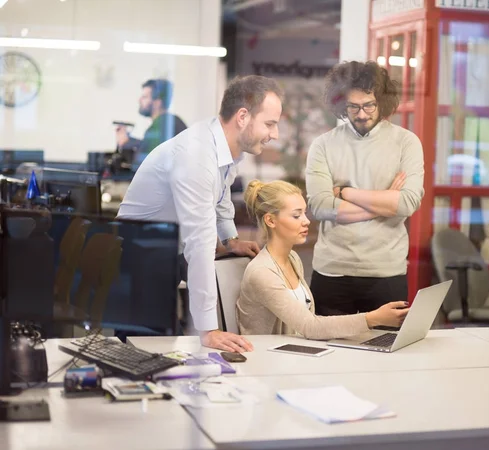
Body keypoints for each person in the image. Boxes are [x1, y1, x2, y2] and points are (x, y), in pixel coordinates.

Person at [117, 75, 284, 352]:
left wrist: (230, 240)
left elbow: (220, 197)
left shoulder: (224, 146)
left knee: (169, 346)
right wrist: (209, 330)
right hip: (137, 257)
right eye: (270, 123)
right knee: (147, 350)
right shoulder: (196, 155)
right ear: (242, 116)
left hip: (164, 248)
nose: (275, 134)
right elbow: (200, 243)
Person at [305, 60, 424, 317]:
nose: (361, 114)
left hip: (386, 273)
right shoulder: (323, 145)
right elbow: (320, 206)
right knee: (330, 354)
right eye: (353, 106)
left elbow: (406, 204)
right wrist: (385, 202)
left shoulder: (406, 142)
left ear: (382, 100)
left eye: (369, 105)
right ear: (340, 104)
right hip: (332, 272)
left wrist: (346, 193)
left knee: (385, 353)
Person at [236, 179, 410, 338]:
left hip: (296, 353)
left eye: (305, 213)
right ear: (270, 221)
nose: (306, 221)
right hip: (269, 362)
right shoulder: (261, 273)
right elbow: (310, 326)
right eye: (296, 215)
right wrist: (374, 318)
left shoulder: (292, 258)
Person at [116, 79, 188, 162]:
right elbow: (151, 147)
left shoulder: (160, 125)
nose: (139, 100)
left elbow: (144, 163)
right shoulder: (172, 122)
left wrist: (126, 143)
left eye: (144, 97)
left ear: (157, 102)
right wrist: (128, 141)